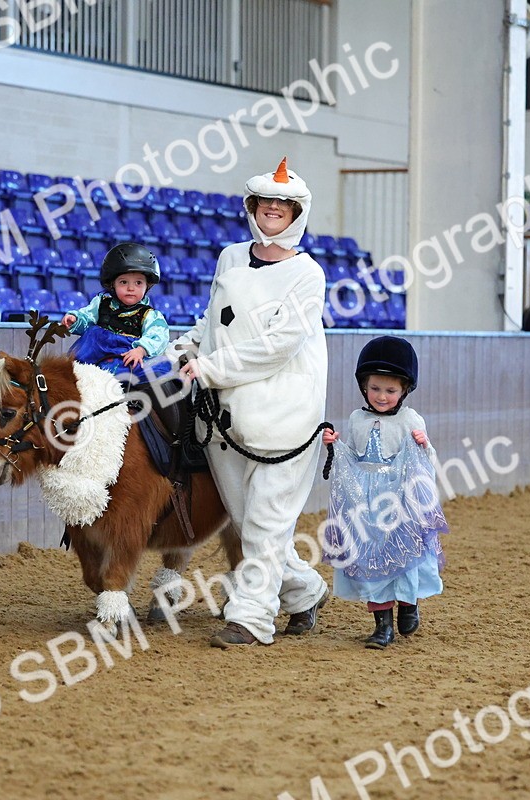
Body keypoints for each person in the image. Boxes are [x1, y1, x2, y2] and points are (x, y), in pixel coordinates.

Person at [171, 157, 329, 648]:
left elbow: (277, 345)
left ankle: (251, 617)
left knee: (263, 524)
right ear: (252, 207)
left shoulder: (308, 274)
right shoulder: (230, 256)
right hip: (222, 416)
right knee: (250, 523)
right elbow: (216, 320)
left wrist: (211, 368)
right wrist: (188, 346)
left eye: (283, 203)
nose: (273, 209)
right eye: (265, 202)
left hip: (284, 413)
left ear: (297, 211)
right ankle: (304, 591)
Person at [320, 336, 447, 649]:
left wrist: (424, 444)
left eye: (390, 390)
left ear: (404, 390)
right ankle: (382, 625)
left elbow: (428, 464)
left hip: (399, 503)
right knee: (371, 560)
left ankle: (408, 604)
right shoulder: (357, 419)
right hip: (368, 504)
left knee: (404, 556)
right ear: (364, 386)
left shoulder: (410, 419)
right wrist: (336, 444)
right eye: (375, 388)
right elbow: (356, 456)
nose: (381, 396)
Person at [61, 242, 170, 381]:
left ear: (147, 286)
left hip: (127, 357)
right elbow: (87, 316)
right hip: (95, 353)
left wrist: (141, 350)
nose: (131, 288)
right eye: (124, 282)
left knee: (156, 374)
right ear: (112, 284)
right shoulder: (101, 303)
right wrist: (76, 319)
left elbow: (158, 335)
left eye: (138, 283)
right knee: (75, 370)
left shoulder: (150, 315)